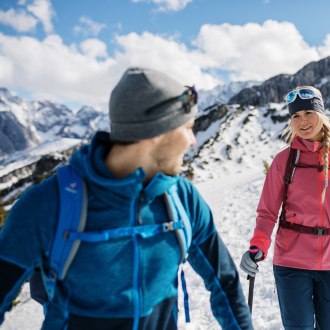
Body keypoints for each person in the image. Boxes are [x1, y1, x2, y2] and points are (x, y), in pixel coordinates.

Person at [0, 67, 253, 329]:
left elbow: (225, 282)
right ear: (157, 132)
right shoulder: (47, 205)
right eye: (188, 128)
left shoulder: (183, 199)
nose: (192, 141)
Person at [240, 85, 330, 330]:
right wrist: (258, 245)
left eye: (308, 113)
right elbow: (267, 211)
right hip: (292, 263)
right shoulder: (284, 160)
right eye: (295, 116)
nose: (303, 121)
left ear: (321, 114)